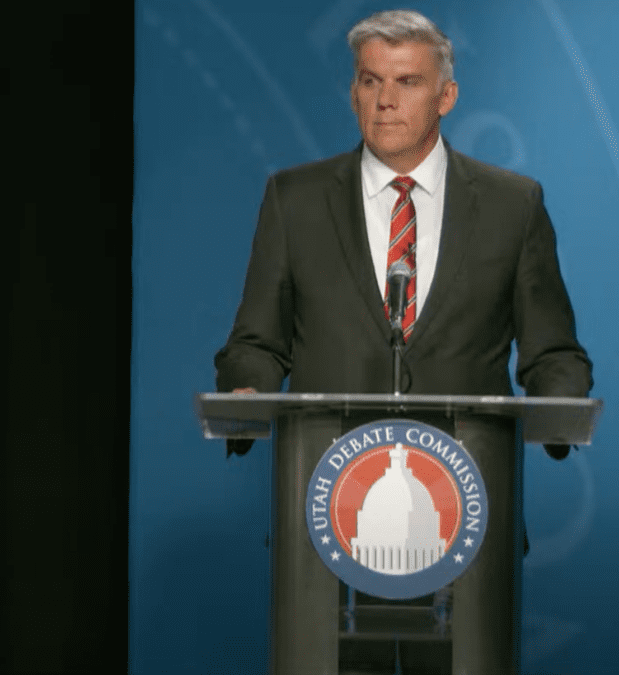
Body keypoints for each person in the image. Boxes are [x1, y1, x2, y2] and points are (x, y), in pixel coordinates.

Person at [212, 9, 591, 674]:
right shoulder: (293, 200)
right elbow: (257, 341)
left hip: (468, 525)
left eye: (407, 81)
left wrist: (558, 410)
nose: (386, 99)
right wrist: (247, 391)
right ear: (354, 91)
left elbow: (554, 351)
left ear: (446, 95)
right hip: (328, 526)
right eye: (370, 80)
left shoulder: (513, 206)